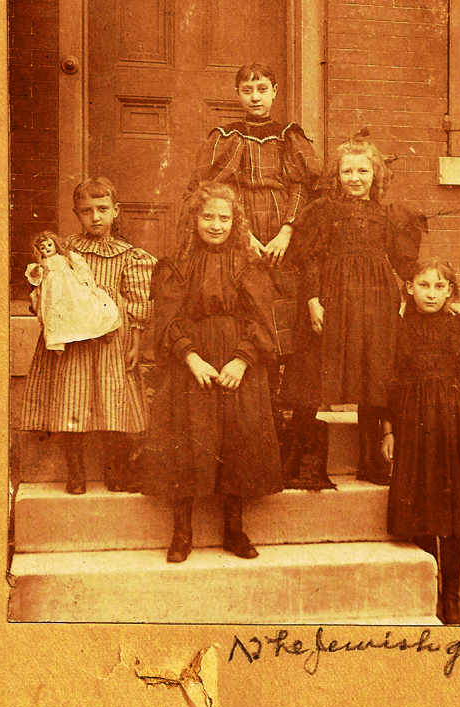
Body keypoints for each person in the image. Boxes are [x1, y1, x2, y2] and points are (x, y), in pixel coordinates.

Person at [142, 183, 283, 563]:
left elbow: (261, 320)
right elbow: (167, 320)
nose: (216, 225)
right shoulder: (175, 264)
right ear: (194, 219)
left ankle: (234, 529)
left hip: (239, 362)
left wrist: (242, 359)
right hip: (191, 361)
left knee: (237, 437)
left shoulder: (249, 265)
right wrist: (190, 358)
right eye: (208, 217)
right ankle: (181, 531)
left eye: (225, 218)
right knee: (184, 439)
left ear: (235, 222)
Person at [187, 62, 320, 457]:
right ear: (238, 95)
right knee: (251, 311)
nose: (256, 97)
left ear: (275, 90)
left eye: (262, 88)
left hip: (284, 242)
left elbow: (302, 185)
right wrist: (243, 234)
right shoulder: (228, 136)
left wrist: (286, 231)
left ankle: (286, 429)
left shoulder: (288, 136)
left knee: (285, 323)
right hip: (240, 237)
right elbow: (216, 188)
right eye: (248, 90)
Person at [281, 133, 425, 487]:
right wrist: (313, 299)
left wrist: (413, 295)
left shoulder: (387, 215)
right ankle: (303, 461)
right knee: (314, 371)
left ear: (376, 175)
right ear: (337, 176)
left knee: (374, 375)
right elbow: (310, 258)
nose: (355, 178)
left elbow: (404, 264)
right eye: (347, 171)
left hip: (376, 303)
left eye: (363, 171)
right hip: (332, 298)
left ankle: (370, 462)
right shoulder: (324, 211)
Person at [380, 257, 460, 625]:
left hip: (453, 424)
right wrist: (388, 431)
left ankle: (452, 597)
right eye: (423, 285)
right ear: (409, 288)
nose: (430, 293)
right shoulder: (395, 331)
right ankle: (426, 591)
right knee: (421, 512)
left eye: (439, 286)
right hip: (413, 426)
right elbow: (386, 385)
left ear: (450, 290)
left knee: (451, 517)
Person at [19, 178, 156, 495]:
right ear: (76, 214)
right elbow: (47, 287)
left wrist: (135, 343)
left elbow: (136, 301)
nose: (95, 217)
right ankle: (76, 472)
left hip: (112, 341)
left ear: (116, 211)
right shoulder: (64, 251)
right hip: (73, 339)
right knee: (72, 400)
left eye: (103, 209)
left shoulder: (129, 256)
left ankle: (116, 470)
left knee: (115, 402)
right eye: (86, 211)